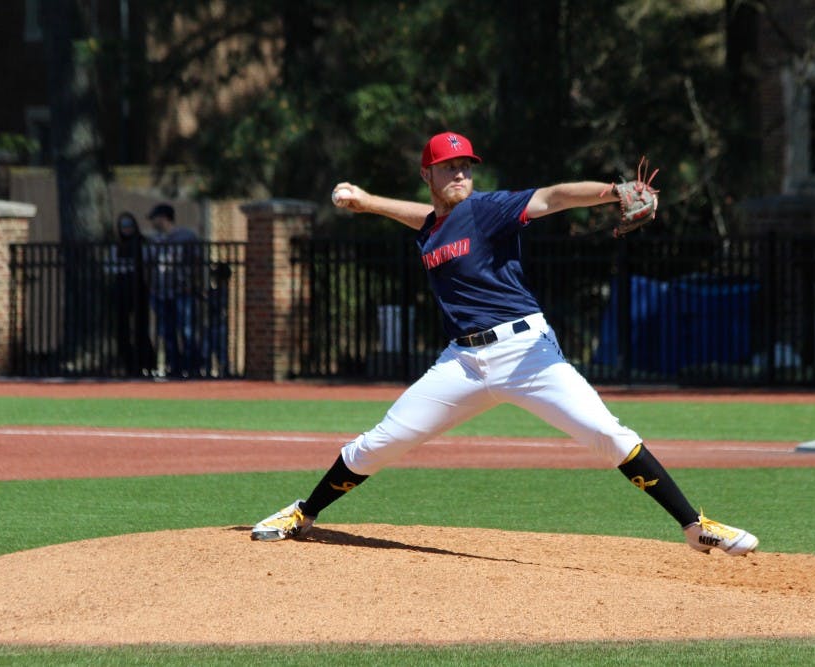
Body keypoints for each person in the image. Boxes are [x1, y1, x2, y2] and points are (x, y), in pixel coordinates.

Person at [252, 131, 758, 556]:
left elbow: (554, 197)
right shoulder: (433, 226)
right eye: (448, 167)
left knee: (606, 433)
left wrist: (612, 190)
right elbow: (421, 217)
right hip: (462, 363)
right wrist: (364, 203)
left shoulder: (489, 210)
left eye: (465, 167)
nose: (460, 175)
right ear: (426, 175)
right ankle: (305, 513)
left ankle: (696, 526)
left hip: (527, 356)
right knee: (381, 443)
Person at [146, 202, 201, 377]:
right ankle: (174, 367)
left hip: (182, 291)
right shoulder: (154, 240)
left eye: (154, 218)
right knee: (166, 332)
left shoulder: (186, 236)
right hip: (160, 292)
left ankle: (192, 367)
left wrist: (193, 283)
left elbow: (198, 263)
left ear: (163, 218)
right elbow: (148, 266)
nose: (152, 222)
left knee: (186, 329)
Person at [111, 212, 155, 376]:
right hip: (122, 291)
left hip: (140, 291)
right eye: (123, 226)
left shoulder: (142, 244)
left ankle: (147, 364)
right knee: (122, 329)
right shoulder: (117, 246)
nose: (126, 229)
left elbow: (148, 268)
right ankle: (129, 365)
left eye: (129, 225)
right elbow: (112, 267)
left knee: (141, 329)